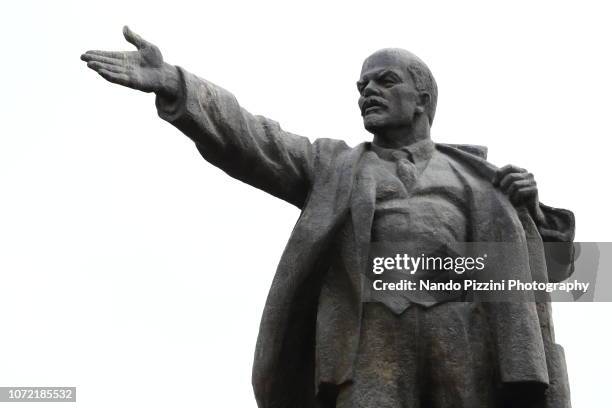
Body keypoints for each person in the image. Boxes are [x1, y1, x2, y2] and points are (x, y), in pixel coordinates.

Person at [81, 26, 575, 408]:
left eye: (385, 81)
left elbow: (561, 273)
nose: (367, 92)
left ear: (422, 98)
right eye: (361, 85)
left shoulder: (480, 179)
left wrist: (528, 211)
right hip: (370, 333)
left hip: (462, 331)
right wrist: (175, 83)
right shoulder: (335, 165)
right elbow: (253, 139)